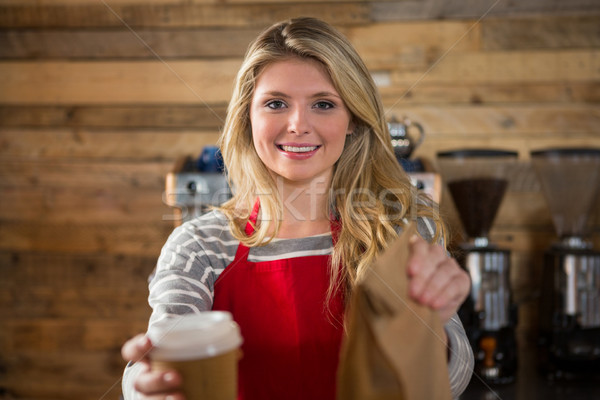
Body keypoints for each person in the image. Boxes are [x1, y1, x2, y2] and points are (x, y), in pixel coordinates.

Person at [121, 16, 473, 400]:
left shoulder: (398, 233)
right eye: (275, 103)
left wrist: (431, 326)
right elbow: (161, 348)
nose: (297, 125)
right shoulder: (200, 246)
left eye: (323, 104)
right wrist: (150, 385)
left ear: (353, 118)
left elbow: (453, 378)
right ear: (247, 117)